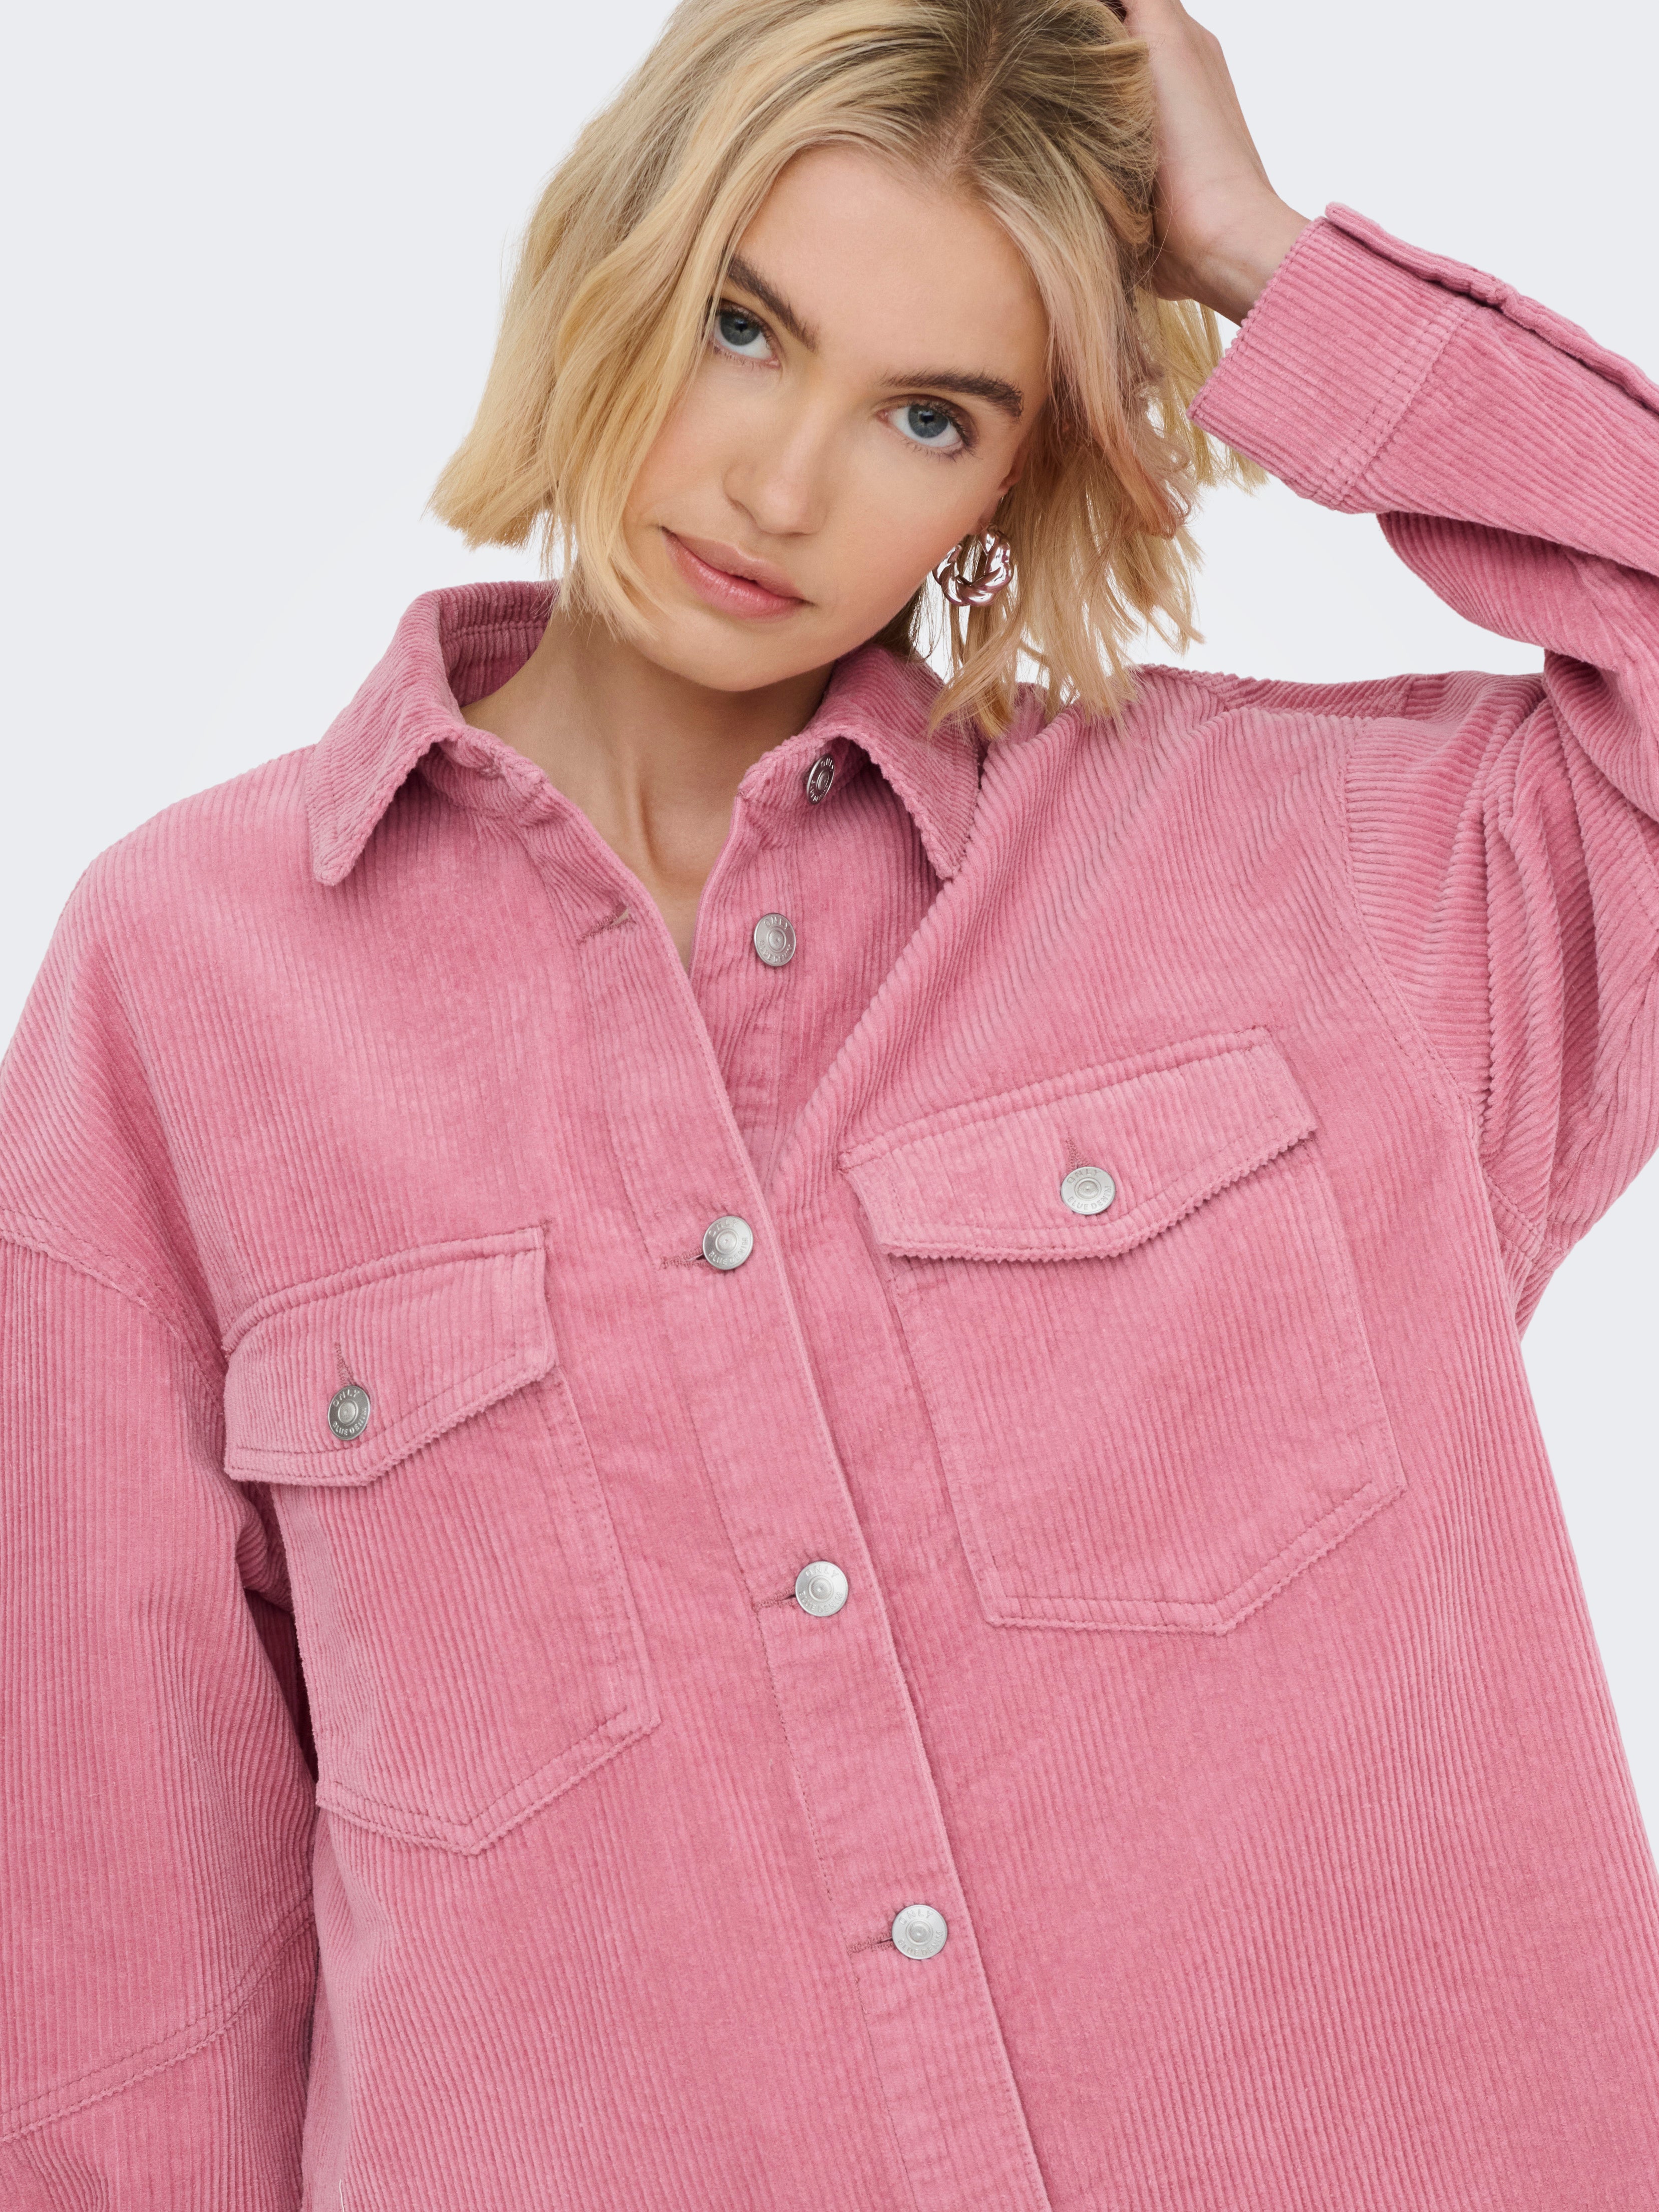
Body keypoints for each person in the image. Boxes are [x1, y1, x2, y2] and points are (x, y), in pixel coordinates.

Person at [2, 0, 1656, 2200]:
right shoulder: (186, 982)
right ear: (606, 260)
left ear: (1014, 476)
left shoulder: (1309, 879)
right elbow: (123, 1954)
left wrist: (1267, 264)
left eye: (929, 413)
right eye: (742, 325)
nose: (780, 488)